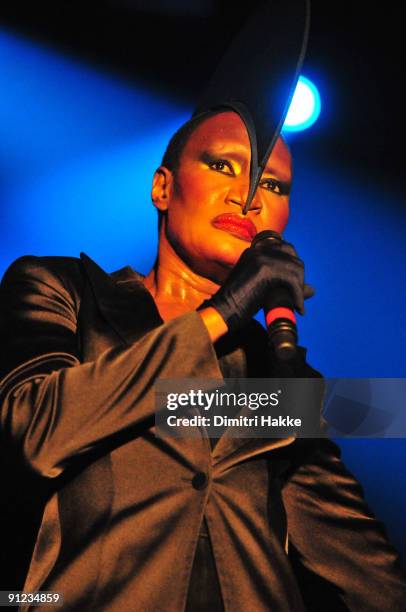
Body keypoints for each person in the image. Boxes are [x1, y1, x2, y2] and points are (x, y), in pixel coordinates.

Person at [1, 107, 406, 611]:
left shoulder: (277, 371)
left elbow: (362, 567)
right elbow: (35, 431)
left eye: (274, 186)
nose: (249, 196)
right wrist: (225, 312)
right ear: (163, 189)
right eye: (222, 166)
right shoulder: (65, 291)